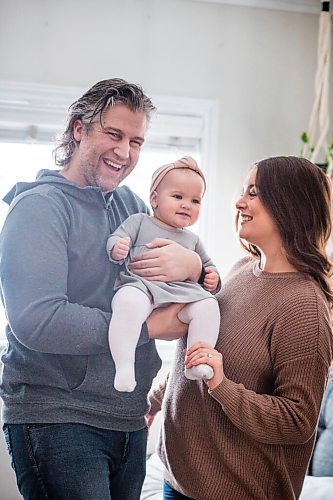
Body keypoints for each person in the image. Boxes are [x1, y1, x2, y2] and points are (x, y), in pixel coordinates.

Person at [0, 78, 202, 500]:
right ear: (79, 129)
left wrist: (194, 265)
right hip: (59, 416)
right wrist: (144, 329)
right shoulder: (38, 209)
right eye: (113, 134)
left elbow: (166, 281)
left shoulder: (133, 206)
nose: (125, 152)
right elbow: (39, 321)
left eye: (136, 141)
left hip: (126, 415)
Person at [147, 156, 333, 500]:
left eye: (254, 192)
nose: (239, 202)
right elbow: (195, 350)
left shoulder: (304, 306)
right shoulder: (240, 270)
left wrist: (220, 384)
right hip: (178, 480)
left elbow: (297, 420)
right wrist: (153, 402)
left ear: (289, 204)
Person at [106, 156, 220, 392]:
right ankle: (124, 365)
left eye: (195, 200)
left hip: (179, 296)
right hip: (141, 287)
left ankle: (196, 360)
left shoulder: (192, 240)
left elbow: (207, 268)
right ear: (155, 199)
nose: (186, 205)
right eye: (178, 197)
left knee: (208, 306)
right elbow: (116, 237)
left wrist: (211, 277)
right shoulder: (140, 221)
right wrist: (117, 248)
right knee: (127, 303)